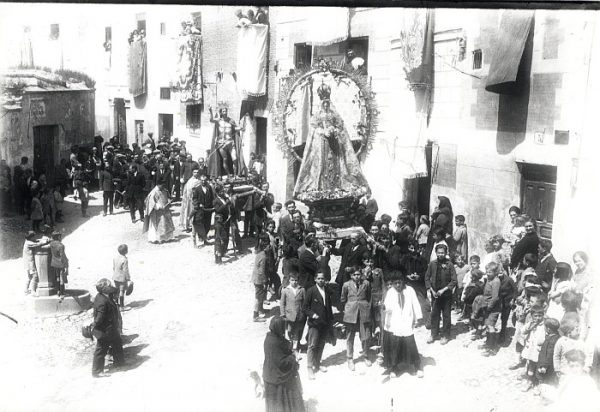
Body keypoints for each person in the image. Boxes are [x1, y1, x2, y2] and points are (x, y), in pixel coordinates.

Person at [292, 82, 369, 196]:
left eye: (328, 103)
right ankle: (322, 186)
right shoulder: (317, 115)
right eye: (324, 104)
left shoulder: (334, 114)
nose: (326, 106)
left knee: (336, 163)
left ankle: (337, 186)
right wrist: (323, 131)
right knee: (321, 166)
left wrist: (334, 129)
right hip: (322, 144)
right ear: (321, 104)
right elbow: (313, 128)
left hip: (334, 144)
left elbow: (341, 126)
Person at [382, 272, 424, 378]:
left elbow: (415, 303)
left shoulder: (409, 290)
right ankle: (394, 368)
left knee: (410, 343)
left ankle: (417, 366)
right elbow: (388, 306)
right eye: (395, 283)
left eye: (399, 283)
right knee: (395, 345)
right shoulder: (391, 292)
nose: (397, 285)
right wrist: (384, 308)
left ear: (403, 282)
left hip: (406, 321)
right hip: (395, 322)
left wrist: (418, 317)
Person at [262, 316, 305, 412]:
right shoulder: (273, 343)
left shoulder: (271, 336)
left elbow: (282, 344)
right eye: (283, 327)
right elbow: (282, 362)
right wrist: (293, 358)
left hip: (270, 375)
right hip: (276, 378)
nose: (285, 329)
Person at [302, 272, 334, 380]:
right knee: (312, 345)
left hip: (325, 322)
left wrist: (330, 320)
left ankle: (317, 363)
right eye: (319, 278)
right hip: (315, 323)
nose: (321, 280)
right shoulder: (311, 291)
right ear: (315, 279)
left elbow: (329, 305)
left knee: (321, 344)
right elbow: (305, 308)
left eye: (323, 278)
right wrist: (313, 315)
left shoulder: (326, 290)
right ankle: (310, 367)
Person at [91, 278, 125, 378]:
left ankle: (119, 363)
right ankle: (97, 372)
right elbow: (99, 318)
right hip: (105, 330)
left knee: (117, 343)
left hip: (111, 328)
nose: (111, 288)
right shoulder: (103, 302)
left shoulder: (101, 295)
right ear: (105, 289)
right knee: (101, 350)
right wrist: (93, 325)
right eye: (109, 286)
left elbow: (115, 290)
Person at [341, 266, 372, 371]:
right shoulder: (346, 285)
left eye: (358, 274)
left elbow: (369, 297)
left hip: (363, 312)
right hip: (351, 313)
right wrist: (347, 308)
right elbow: (343, 298)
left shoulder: (366, 283)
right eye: (354, 275)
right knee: (350, 337)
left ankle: (365, 355)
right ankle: (350, 358)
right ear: (351, 276)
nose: (357, 276)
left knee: (365, 336)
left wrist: (366, 306)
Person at [425, 244, 457, 345]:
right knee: (434, 314)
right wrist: (431, 290)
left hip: (446, 295)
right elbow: (426, 277)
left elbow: (454, 280)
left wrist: (444, 290)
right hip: (435, 295)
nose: (440, 254)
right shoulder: (432, 264)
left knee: (446, 315)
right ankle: (434, 334)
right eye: (438, 252)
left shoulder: (449, 264)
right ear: (436, 253)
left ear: (446, 253)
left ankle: (446, 335)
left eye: (442, 252)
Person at [207, 106, 246, 177]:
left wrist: (240, 128)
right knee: (225, 159)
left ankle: (235, 175)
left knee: (235, 159)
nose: (225, 112)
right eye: (223, 111)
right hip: (221, 143)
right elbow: (211, 120)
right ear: (221, 112)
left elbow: (234, 129)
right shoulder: (218, 121)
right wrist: (210, 111)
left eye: (226, 111)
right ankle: (228, 174)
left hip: (230, 143)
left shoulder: (231, 121)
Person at [521, 305, 548, 391]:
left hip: (539, 350)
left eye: (540, 316)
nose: (537, 318)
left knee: (539, 369)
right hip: (531, 350)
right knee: (531, 366)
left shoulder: (545, 325)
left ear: (543, 315)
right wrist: (529, 327)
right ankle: (529, 381)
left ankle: (538, 384)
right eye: (535, 316)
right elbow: (523, 331)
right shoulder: (530, 323)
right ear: (532, 316)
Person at [280, 273, 306, 353]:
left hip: (299, 315)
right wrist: (283, 314)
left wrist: (303, 313)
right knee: (289, 330)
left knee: (297, 331)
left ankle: (295, 347)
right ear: (289, 280)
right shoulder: (285, 290)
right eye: (292, 280)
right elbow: (282, 303)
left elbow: (304, 302)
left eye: (296, 280)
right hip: (289, 315)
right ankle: (290, 344)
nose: (294, 282)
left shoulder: (301, 290)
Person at [191, 174, 214, 245]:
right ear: (200, 181)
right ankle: (200, 237)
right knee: (201, 225)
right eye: (202, 180)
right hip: (200, 210)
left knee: (207, 224)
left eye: (205, 180)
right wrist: (198, 204)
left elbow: (212, 197)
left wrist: (212, 206)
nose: (203, 182)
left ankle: (205, 240)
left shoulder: (209, 187)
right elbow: (194, 199)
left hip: (208, 209)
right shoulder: (197, 189)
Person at [536, 318, 561, 386]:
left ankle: (542, 388)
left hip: (546, 363)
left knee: (544, 377)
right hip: (545, 361)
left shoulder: (552, 340)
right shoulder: (555, 336)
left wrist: (545, 366)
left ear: (548, 329)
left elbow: (550, 354)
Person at [252, 236, 270, 322]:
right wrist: (264, 281)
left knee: (260, 296)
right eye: (268, 246)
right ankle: (255, 316)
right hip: (259, 279)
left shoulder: (259, 253)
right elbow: (261, 271)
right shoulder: (264, 257)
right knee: (258, 297)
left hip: (255, 277)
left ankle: (260, 309)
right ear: (266, 247)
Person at [49, 231, 69, 297]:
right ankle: (62, 293)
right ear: (58, 237)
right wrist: (66, 265)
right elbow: (62, 256)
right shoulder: (61, 245)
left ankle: (58, 291)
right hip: (61, 264)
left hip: (54, 263)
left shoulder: (51, 244)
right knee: (62, 278)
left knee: (57, 277)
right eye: (60, 236)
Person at [113, 244, 131, 310]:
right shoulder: (125, 260)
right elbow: (125, 270)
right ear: (126, 251)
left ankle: (116, 305)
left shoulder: (115, 258)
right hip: (122, 278)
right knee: (121, 291)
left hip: (115, 277)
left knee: (116, 291)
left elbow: (114, 267)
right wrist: (128, 279)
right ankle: (122, 306)